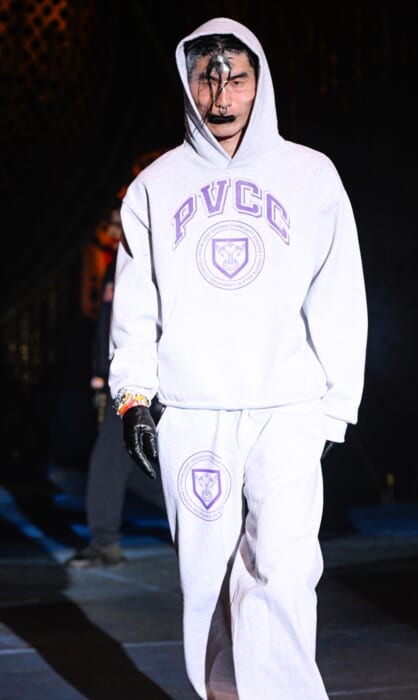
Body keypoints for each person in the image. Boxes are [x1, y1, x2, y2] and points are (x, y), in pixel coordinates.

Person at [108, 17, 367, 699]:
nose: (220, 97)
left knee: (282, 572)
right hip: (193, 411)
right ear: (187, 81)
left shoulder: (310, 175)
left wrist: (336, 407)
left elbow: (339, 291)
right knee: (209, 585)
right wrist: (133, 397)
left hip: (288, 407)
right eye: (206, 78)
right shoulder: (155, 186)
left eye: (237, 79)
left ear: (261, 82)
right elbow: (136, 303)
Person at [66, 204, 165, 568]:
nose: (110, 230)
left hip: (144, 383)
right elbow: (108, 327)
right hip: (119, 381)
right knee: (128, 465)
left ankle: (105, 543)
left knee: (110, 461)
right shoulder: (115, 266)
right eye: (109, 223)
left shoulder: (150, 263)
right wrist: (99, 373)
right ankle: (205, 513)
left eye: (115, 223)